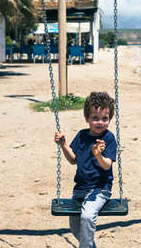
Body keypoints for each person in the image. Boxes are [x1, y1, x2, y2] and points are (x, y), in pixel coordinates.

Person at [54, 92, 117, 248]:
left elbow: (107, 165)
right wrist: (64, 145)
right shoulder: (82, 135)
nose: (100, 122)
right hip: (80, 188)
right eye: (95, 118)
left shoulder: (108, 138)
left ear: (109, 119)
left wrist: (98, 155)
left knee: (88, 217)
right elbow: (73, 159)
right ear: (87, 118)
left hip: (100, 189)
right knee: (75, 228)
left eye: (104, 119)